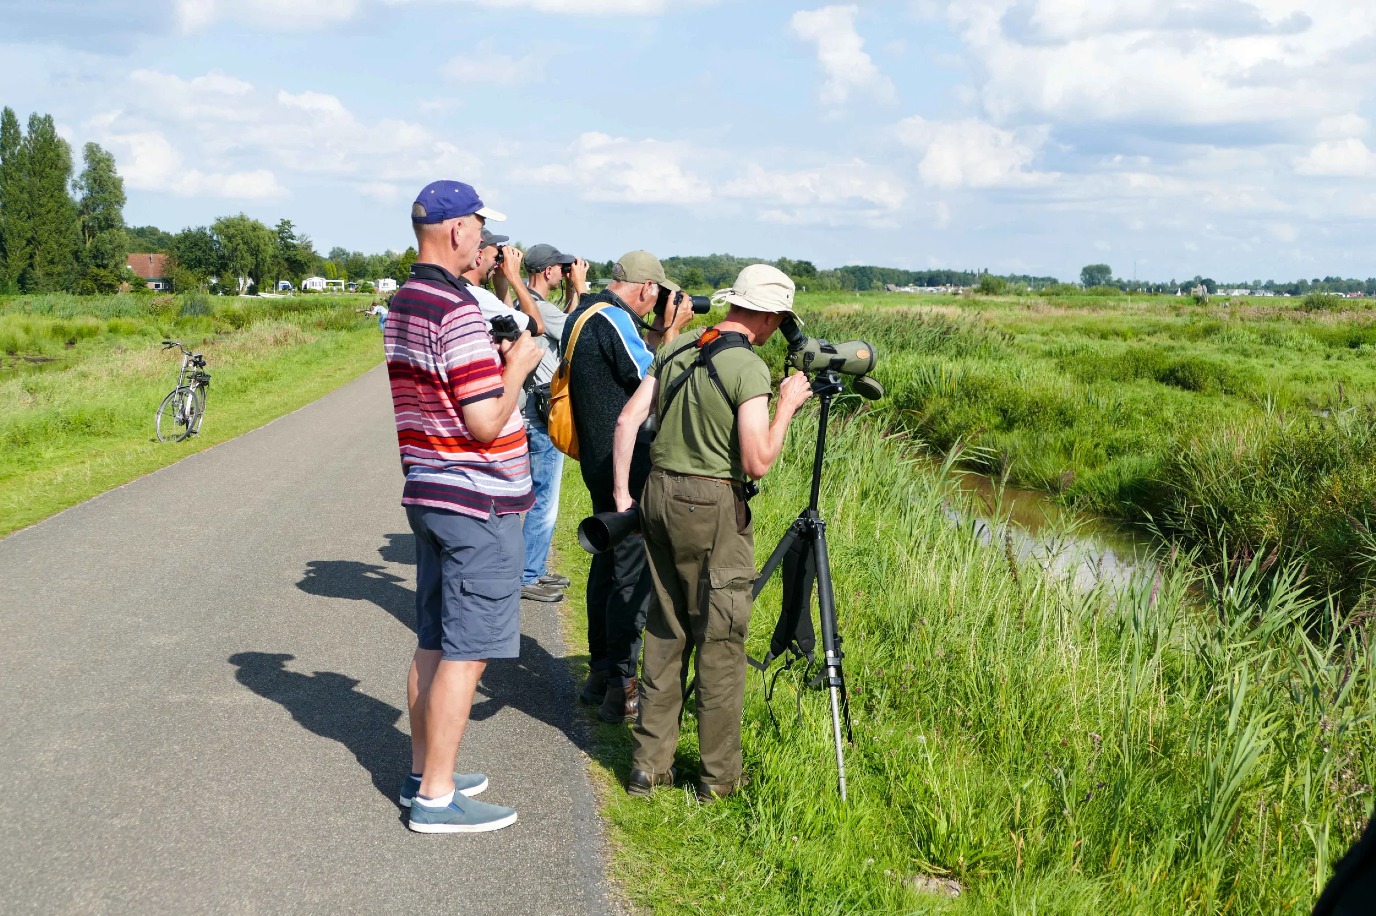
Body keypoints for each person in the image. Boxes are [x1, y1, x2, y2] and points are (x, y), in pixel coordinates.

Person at [610, 264, 813, 801]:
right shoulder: (748, 368)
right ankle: (718, 778)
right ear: (769, 317)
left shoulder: (676, 349)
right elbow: (758, 460)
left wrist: (622, 498)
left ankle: (648, 766)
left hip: (657, 493)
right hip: (712, 505)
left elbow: (628, 421)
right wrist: (788, 405)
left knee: (666, 627)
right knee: (720, 641)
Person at [383, 179, 543, 833]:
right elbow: (482, 421)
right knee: (468, 649)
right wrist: (520, 366)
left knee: (433, 639)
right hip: (475, 496)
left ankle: (426, 769)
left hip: (428, 485)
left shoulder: (405, 301)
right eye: (479, 226)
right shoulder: (456, 309)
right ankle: (437, 798)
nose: (483, 239)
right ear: (457, 231)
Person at [562, 251, 693, 724]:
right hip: (628, 468)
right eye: (658, 294)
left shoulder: (585, 314)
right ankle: (621, 685)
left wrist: (657, 332)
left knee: (607, 567)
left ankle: (600, 676)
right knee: (629, 575)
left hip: (599, 460)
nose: (659, 302)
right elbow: (659, 382)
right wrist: (674, 332)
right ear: (644, 289)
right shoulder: (615, 322)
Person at [517, 244, 590, 601]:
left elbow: (566, 325)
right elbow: (581, 331)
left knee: (539, 496)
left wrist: (573, 293)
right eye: (561, 268)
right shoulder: (541, 308)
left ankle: (535, 566)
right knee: (544, 499)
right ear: (547, 272)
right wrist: (583, 288)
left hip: (531, 412)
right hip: (543, 417)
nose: (564, 273)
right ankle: (528, 575)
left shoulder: (525, 303)